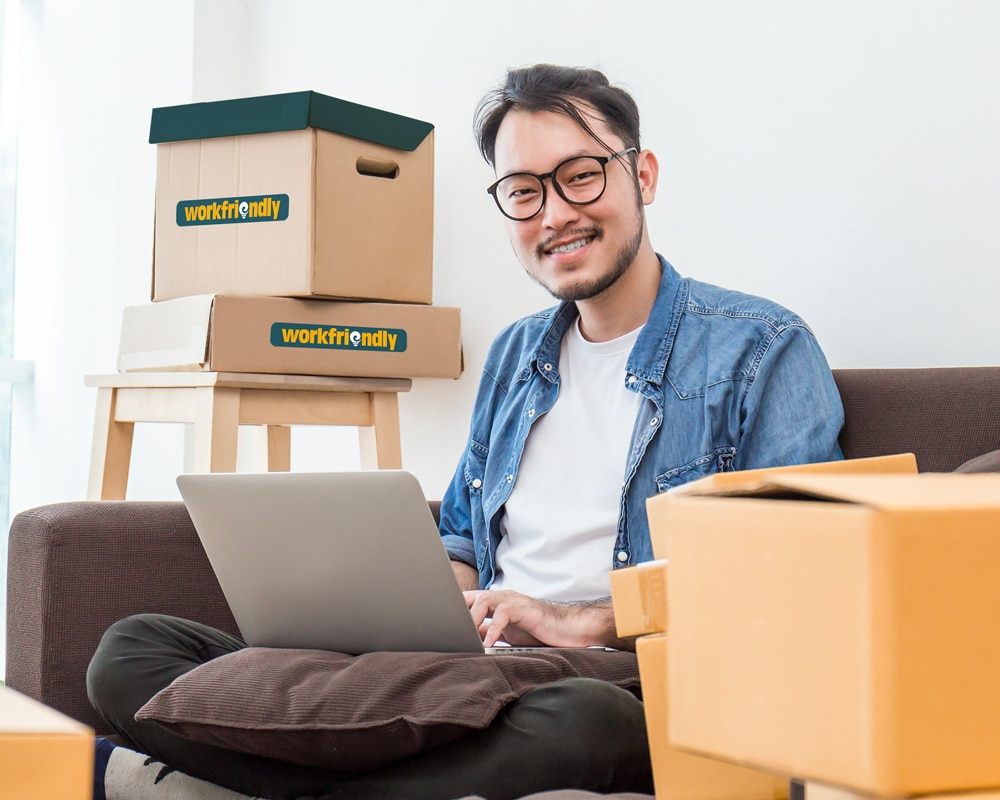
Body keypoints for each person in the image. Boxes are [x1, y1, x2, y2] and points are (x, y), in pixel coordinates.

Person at [87, 64, 844, 800]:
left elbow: (799, 581)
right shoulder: (517, 356)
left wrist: (584, 621)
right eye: (523, 192)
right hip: (467, 672)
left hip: (609, 680)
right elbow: (460, 546)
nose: (554, 215)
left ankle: (232, 784)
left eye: (581, 176)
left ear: (641, 176)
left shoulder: (760, 348)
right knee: (133, 650)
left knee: (587, 725)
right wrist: (401, 609)